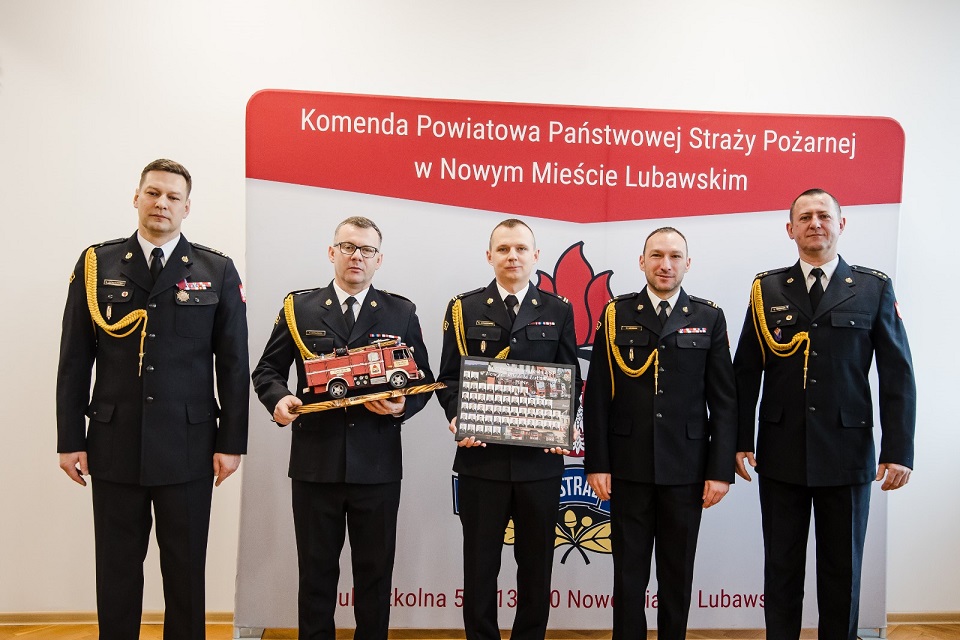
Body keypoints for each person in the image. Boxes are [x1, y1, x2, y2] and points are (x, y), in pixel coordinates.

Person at [56, 158, 249, 639]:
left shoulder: (216, 269)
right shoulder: (97, 265)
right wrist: (69, 438)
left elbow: (233, 364)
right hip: (114, 442)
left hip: (188, 445)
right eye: (153, 193)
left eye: (173, 197)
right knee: (116, 569)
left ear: (187, 207)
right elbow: (75, 357)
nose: (162, 203)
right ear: (137, 197)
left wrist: (231, 443)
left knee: (185, 570)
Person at [733, 189, 916, 640]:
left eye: (823, 215)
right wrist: (739, 441)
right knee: (781, 569)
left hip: (847, 453)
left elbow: (897, 375)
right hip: (781, 453)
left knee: (842, 572)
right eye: (805, 217)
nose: (815, 223)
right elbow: (745, 373)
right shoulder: (767, 289)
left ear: (841, 224)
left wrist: (898, 450)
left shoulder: (873, 288)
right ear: (790, 229)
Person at [251, 216, 434, 640]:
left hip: (378, 466)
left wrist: (402, 405)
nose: (357, 256)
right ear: (331, 252)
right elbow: (267, 370)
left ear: (379, 259)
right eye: (348, 247)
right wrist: (278, 399)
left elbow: (422, 378)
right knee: (316, 576)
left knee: (375, 577)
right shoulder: (299, 308)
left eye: (367, 250)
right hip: (316, 465)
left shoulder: (401, 311)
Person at [582, 227, 737, 640]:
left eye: (674, 256)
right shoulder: (616, 314)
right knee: (628, 576)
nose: (665, 264)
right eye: (656, 255)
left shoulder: (708, 317)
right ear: (642, 262)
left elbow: (724, 400)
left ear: (688, 263)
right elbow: (597, 395)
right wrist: (597, 463)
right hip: (627, 467)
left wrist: (719, 470)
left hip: (687, 469)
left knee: (677, 575)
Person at [436, 218, 582, 640]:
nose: (512, 256)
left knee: (536, 567)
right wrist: (457, 415)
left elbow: (570, 377)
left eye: (520, 248)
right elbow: (448, 378)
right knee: (480, 567)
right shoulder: (463, 309)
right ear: (489, 256)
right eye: (503, 249)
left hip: (540, 463)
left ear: (536, 256)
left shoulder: (558, 309)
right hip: (482, 461)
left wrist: (564, 423)